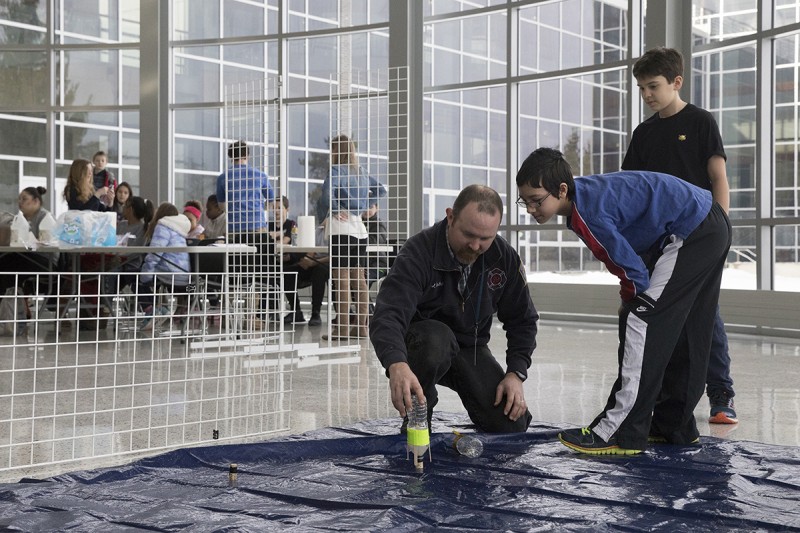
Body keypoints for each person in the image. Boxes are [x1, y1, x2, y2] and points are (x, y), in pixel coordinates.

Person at [516, 147, 731, 454]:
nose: (531, 209)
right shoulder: (588, 196)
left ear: (562, 190)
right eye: (525, 202)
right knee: (686, 326)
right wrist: (634, 294)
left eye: (537, 200)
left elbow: (629, 268)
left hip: (693, 229)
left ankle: (618, 431)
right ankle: (674, 426)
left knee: (640, 318)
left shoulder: (586, 211)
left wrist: (632, 300)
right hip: (709, 223)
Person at [622, 47, 738, 425]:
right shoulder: (644, 133)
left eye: (653, 86)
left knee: (706, 316)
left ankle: (720, 394)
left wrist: (720, 232)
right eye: (641, 89)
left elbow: (718, 178)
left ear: (677, 82)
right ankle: (656, 397)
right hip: (658, 242)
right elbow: (633, 191)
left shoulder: (702, 122)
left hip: (700, 234)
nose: (647, 95)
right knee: (662, 316)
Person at [370, 184, 537, 434]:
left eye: (486, 238)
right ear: (450, 217)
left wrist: (516, 373)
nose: (475, 246)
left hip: (470, 347)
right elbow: (388, 314)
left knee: (510, 423)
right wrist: (396, 364)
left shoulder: (504, 259)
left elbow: (522, 320)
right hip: (424, 345)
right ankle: (418, 413)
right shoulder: (418, 252)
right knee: (437, 340)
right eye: (469, 235)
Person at [318, 134, 373, 340]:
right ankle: (361, 327)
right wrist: (364, 207)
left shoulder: (335, 171)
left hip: (341, 231)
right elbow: (379, 190)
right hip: (360, 231)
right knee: (358, 279)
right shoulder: (361, 172)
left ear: (335, 151)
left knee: (341, 280)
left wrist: (331, 209)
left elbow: (325, 196)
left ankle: (341, 329)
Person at [137, 202, 191, 331]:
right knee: (145, 274)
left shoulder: (163, 226)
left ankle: (152, 310)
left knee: (135, 277)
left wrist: (145, 276)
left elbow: (154, 254)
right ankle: (159, 308)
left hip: (170, 275)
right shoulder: (180, 230)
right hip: (186, 278)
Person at [0, 187, 57, 293]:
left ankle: (12, 301)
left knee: (7, 266)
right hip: (28, 256)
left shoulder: (45, 217)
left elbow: (48, 243)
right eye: (19, 199)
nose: (20, 202)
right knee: (5, 262)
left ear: (36, 201)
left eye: (24, 199)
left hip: (45, 260)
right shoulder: (21, 219)